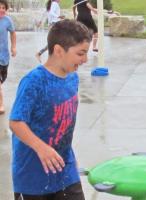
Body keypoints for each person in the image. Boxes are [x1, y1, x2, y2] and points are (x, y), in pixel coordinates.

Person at [10, 19, 92, 200]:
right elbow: (16, 122)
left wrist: (69, 154)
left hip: (65, 168)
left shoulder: (73, 78)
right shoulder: (34, 81)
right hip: (33, 175)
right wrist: (42, 148)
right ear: (58, 51)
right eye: (80, 53)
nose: (85, 60)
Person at [0, 0, 16, 115]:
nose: (1, 9)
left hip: (4, 56)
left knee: (2, 79)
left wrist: (13, 47)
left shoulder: (7, 20)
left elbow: (13, 33)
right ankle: (1, 104)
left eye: (3, 8)